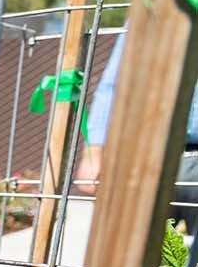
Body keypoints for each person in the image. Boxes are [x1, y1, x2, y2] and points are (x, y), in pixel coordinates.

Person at [74, 30, 198, 230]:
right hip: (148, 154)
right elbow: (116, 81)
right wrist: (94, 151)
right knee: (130, 251)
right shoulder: (159, 2)